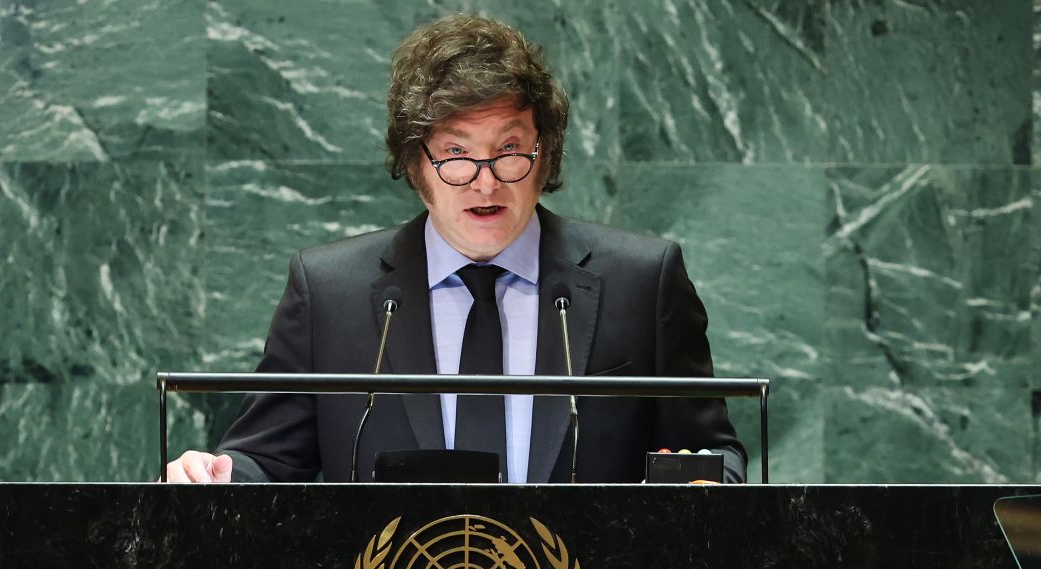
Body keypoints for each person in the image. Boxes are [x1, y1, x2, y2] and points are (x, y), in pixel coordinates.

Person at [164, 14, 746, 485]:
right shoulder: (329, 292)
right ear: (417, 163)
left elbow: (711, 456)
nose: (485, 180)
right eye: (456, 152)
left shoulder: (642, 282)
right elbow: (266, 461)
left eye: (510, 148)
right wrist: (212, 476)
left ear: (545, 156)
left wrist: (703, 488)